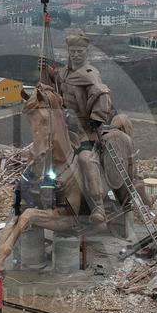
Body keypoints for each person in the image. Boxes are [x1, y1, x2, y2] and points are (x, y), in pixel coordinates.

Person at [44, 30, 114, 223]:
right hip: (65, 127)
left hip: (85, 130)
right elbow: (59, 85)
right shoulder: (65, 72)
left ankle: (98, 205)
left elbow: (103, 94)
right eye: (72, 51)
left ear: (86, 52)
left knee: (85, 159)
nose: (76, 54)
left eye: (79, 51)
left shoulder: (90, 74)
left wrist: (97, 118)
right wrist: (48, 74)